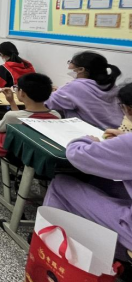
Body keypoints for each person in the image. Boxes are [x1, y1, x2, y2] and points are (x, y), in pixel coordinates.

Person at [43, 83, 132, 261]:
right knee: (104, 184)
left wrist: (86, 140)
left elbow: (77, 155)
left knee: (61, 183)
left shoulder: (73, 87)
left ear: (128, 109)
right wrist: (123, 139)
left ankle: (52, 248)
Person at [45, 51, 122, 129]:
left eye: (71, 62)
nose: (69, 67)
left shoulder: (76, 86)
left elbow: (45, 103)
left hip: (96, 132)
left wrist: (53, 92)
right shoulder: (110, 85)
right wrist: (61, 91)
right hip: (118, 129)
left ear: (81, 69)